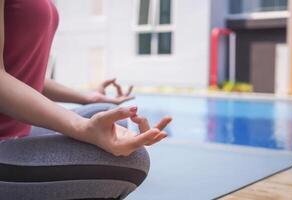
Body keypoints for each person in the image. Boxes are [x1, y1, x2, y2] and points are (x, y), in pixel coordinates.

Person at [0, 0, 172, 199]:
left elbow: (19, 72)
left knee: (105, 114)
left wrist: (87, 98)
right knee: (132, 164)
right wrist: (82, 127)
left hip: (18, 130)